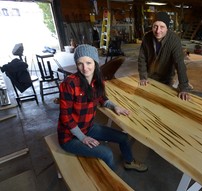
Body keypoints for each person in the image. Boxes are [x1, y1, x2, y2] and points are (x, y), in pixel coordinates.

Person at [57, 44, 147, 172]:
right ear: (76, 65)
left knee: (123, 138)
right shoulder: (69, 84)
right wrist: (83, 138)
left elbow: (101, 98)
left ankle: (129, 161)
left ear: (95, 62)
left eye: (88, 63)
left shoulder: (98, 80)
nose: (85, 68)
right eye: (80, 64)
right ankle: (113, 182)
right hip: (69, 137)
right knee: (106, 153)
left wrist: (114, 106)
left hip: (88, 127)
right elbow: (66, 117)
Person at [138, 12, 193, 101]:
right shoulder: (147, 38)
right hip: (149, 77)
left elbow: (179, 64)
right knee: (148, 100)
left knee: (164, 101)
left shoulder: (174, 40)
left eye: (162, 27)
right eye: (155, 26)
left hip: (166, 78)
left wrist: (183, 88)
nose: (158, 30)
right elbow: (142, 58)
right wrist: (143, 77)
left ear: (167, 28)